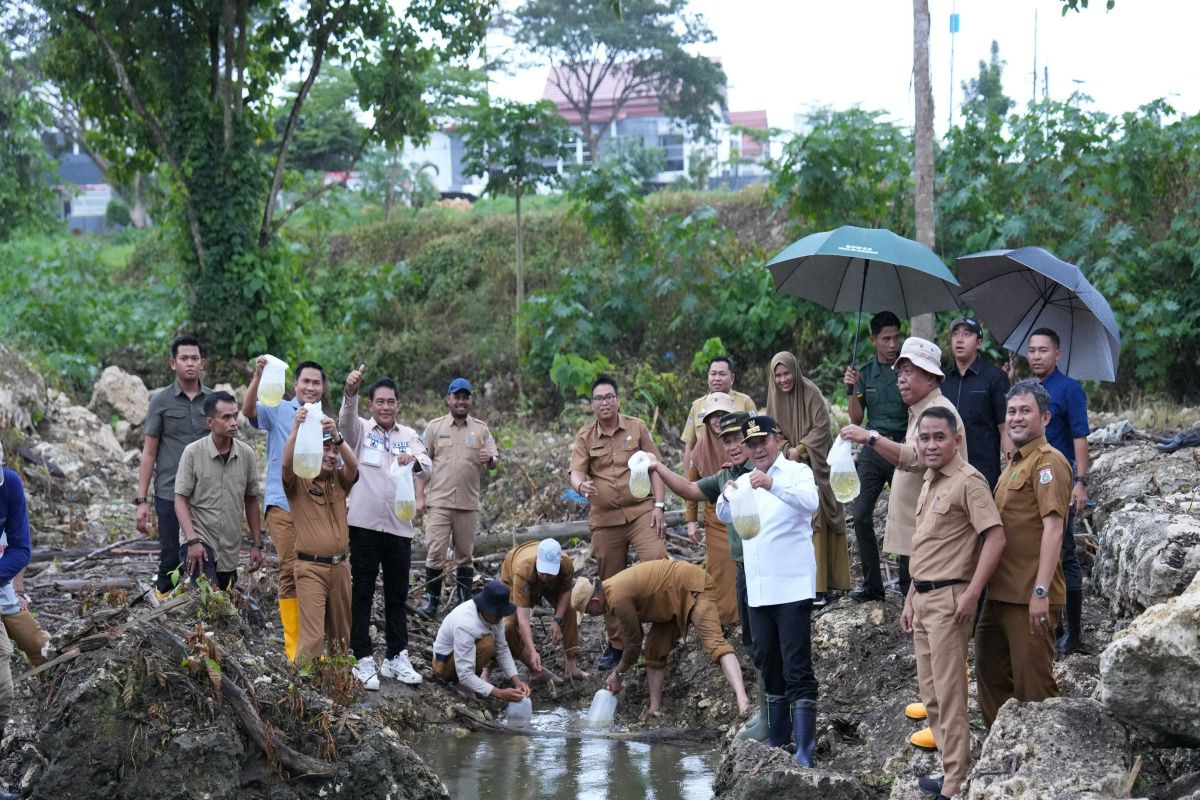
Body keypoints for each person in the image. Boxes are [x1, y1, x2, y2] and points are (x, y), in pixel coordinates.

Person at [841, 337, 967, 749]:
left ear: (931, 375)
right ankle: (932, 704)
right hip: (919, 530)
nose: (900, 377)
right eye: (900, 370)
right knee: (921, 623)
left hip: (933, 536)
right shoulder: (920, 412)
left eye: (909, 370)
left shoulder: (939, 412)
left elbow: (913, 458)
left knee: (934, 625)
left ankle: (944, 718)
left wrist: (869, 437)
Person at [900, 407, 1006, 800]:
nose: (930, 444)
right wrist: (910, 599)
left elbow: (994, 537)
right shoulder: (930, 480)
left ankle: (956, 782)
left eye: (938, 437)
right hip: (923, 596)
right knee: (930, 694)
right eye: (924, 437)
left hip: (950, 600)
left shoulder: (969, 482)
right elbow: (926, 546)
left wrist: (973, 592)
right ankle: (949, 769)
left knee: (950, 693)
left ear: (956, 440)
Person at [645, 411, 768, 739]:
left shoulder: (765, 470)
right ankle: (766, 713)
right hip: (743, 571)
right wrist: (658, 467)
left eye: (737, 439)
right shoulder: (724, 477)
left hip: (768, 570)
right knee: (753, 642)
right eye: (725, 440)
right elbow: (687, 488)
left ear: (751, 439)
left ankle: (775, 717)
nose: (732, 446)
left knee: (771, 643)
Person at [716, 416, 821, 766]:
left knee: (797, 666)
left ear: (777, 439)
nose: (758, 449)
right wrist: (728, 494)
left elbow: (811, 503)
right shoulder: (744, 478)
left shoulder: (795, 473)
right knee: (769, 665)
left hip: (791, 587)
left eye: (763, 441)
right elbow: (723, 516)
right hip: (758, 590)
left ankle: (805, 748)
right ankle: (779, 740)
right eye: (751, 444)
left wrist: (771, 484)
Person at [976, 380, 1071, 729]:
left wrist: (1041, 592)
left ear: (1045, 417)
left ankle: (1046, 768)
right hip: (998, 595)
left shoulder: (1049, 463)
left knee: (1035, 691)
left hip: (1030, 598)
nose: (1016, 418)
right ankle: (1002, 759)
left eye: (1025, 411)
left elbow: (1054, 529)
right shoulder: (1012, 465)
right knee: (989, 677)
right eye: (1011, 411)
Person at [569, 375, 670, 671]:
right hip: (605, 520)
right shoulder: (585, 437)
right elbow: (575, 472)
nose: (605, 402)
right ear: (592, 405)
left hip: (641, 511)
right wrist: (580, 487)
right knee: (611, 583)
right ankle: (618, 645)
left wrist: (660, 506)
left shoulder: (637, 427)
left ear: (618, 400)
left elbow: (656, 468)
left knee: (657, 562)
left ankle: (664, 628)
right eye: (599, 398)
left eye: (609, 397)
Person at [339, 367, 430, 689]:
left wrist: (413, 462)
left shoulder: (408, 435)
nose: (386, 407)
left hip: (399, 528)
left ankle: (396, 656)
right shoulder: (361, 430)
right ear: (371, 405)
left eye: (391, 402)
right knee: (362, 590)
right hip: (363, 525)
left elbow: (426, 464)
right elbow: (344, 424)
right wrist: (349, 392)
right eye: (380, 402)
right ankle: (361, 657)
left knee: (397, 594)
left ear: (398, 405)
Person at [584, 559, 749, 717]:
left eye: (588, 611)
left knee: (715, 644)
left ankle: (743, 702)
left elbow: (634, 644)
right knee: (654, 650)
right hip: (670, 602)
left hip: (694, 587)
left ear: (596, 601)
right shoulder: (611, 590)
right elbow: (638, 638)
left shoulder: (617, 599)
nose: (589, 615)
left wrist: (617, 674)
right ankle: (655, 709)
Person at [243, 358, 328, 660]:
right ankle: (294, 648)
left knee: (314, 570)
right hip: (281, 503)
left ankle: (312, 643)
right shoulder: (279, 409)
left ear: (322, 388)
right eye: (305, 381)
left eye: (316, 382)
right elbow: (249, 411)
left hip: (314, 508)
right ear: (295, 384)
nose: (310, 387)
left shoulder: (326, 421)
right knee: (291, 567)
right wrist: (257, 376)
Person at [768, 351, 851, 604]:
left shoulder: (811, 392)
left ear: (795, 371)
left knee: (817, 518)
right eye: (778, 375)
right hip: (787, 467)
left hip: (815, 467)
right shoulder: (773, 398)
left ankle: (820, 586)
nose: (783, 380)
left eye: (787, 373)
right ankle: (795, 583)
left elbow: (822, 427)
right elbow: (772, 431)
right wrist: (785, 450)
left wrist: (801, 449)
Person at [1027, 328, 1090, 655]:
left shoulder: (1069, 389)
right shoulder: (1026, 391)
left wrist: (1080, 481)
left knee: (1064, 552)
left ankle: (1074, 633)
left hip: (1061, 481)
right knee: (1037, 551)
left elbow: (1080, 437)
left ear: (1057, 354)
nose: (1036, 356)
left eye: (1043, 350)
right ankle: (1054, 624)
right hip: (1030, 482)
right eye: (1032, 350)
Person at [136, 336, 213, 597]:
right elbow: (149, 452)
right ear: (173, 363)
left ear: (202, 363)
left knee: (209, 556)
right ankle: (165, 613)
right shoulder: (161, 401)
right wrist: (141, 500)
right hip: (169, 492)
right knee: (170, 558)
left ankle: (203, 612)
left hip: (206, 494)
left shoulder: (214, 401)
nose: (189, 363)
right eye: (184, 358)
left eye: (194, 358)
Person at [282, 406, 358, 663]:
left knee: (341, 637)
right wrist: (295, 429)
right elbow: (285, 462)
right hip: (310, 568)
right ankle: (304, 692)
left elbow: (354, 464)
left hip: (340, 568)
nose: (331, 455)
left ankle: (338, 689)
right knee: (313, 637)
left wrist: (337, 437)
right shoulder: (300, 481)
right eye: (325, 448)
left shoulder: (340, 481)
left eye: (334, 451)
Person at [417, 378, 499, 617]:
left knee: (465, 555)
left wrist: (490, 459)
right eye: (457, 397)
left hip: (467, 504)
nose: (461, 401)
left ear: (471, 399)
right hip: (439, 503)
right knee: (435, 553)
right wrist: (419, 496)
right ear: (448, 399)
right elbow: (421, 464)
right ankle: (432, 602)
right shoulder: (434, 428)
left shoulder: (481, 429)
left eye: (466, 397)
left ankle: (464, 603)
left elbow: (494, 459)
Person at [843, 312, 906, 602]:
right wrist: (852, 389)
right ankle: (872, 585)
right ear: (873, 340)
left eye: (896, 337)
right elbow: (856, 419)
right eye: (886, 339)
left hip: (901, 449)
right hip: (872, 448)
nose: (892, 344)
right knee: (860, 515)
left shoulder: (907, 370)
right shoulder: (865, 373)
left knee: (904, 518)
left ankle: (908, 586)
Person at [174, 391, 264, 590]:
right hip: (200, 539)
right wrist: (192, 541)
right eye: (226, 418)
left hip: (229, 549)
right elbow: (180, 499)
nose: (234, 422)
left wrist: (256, 544)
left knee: (223, 598)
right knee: (211, 598)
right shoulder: (193, 452)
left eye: (235, 416)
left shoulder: (246, 455)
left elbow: (251, 501)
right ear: (210, 422)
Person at [681, 392, 739, 623]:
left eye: (723, 414)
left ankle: (748, 615)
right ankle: (725, 619)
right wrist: (691, 520)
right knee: (720, 568)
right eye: (713, 416)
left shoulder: (741, 443)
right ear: (706, 420)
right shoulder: (700, 449)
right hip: (715, 517)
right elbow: (690, 488)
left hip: (745, 514)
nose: (718, 420)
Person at [498, 538, 589, 681]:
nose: (546, 577)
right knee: (508, 625)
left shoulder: (565, 564)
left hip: (542, 576)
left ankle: (571, 668)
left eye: (550, 573)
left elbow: (566, 592)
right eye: (543, 573)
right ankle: (532, 668)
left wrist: (557, 620)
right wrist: (533, 651)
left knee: (569, 610)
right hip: (513, 575)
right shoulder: (523, 570)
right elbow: (523, 619)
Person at [431, 579, 531, 702]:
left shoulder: (495, 617)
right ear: (485, 608)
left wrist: (517, 681)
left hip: (464, 659)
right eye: (496, 613)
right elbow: (465, 674)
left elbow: (502, 649)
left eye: (501, 613)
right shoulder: (465, 623)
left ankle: (475, 682)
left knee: (494, 639)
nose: (499, 617)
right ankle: (460, 684)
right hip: (445, 665)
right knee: (488, 643)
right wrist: (499, 693)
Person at [941, 317, 1010, 490]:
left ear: (978, 343)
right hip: (946, 467)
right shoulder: (942, 379)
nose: (959, 339)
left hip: (982, 469)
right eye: (955, 334)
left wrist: (1011, 470)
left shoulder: (995, 377)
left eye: (967, 334)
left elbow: (1005, 428)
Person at [0, 444, 32, 751]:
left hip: (1, 583)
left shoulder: (9, 484)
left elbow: (21, 548)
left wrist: (18, 589)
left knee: (39, 644)